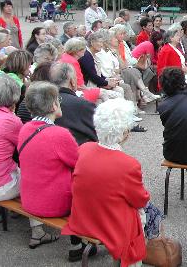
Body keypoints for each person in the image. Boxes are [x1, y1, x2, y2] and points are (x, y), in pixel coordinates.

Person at [62, 98, 150, 266]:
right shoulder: (128, 164)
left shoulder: (84, 149)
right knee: (143, 212)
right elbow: (140, 199)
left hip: (83, 217)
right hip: (109, 223)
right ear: (124, 132)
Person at [18, 82, 78, 250]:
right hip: (54, 204)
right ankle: (79, 244)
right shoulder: (59, 134)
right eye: (58, 99)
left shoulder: (25, 129)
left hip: (29, 200)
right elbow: (78, 163)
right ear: (53, 105)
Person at [156, 23, 187, 99]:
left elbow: (181, 63)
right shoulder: (168, 50)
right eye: (177, 35)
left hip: (177, 74)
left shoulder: (173, 47)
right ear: (171, 38)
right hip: (172, 78)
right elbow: (179, 67)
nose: (179, 37)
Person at [60, 38, 100, 103]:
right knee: (108, 94)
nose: (85, 49)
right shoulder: (72, 61)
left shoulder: (65, 56)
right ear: (76, 50)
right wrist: (93, 90)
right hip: (75, 91)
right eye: (83, 48)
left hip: (70, 90)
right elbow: (80, 84)